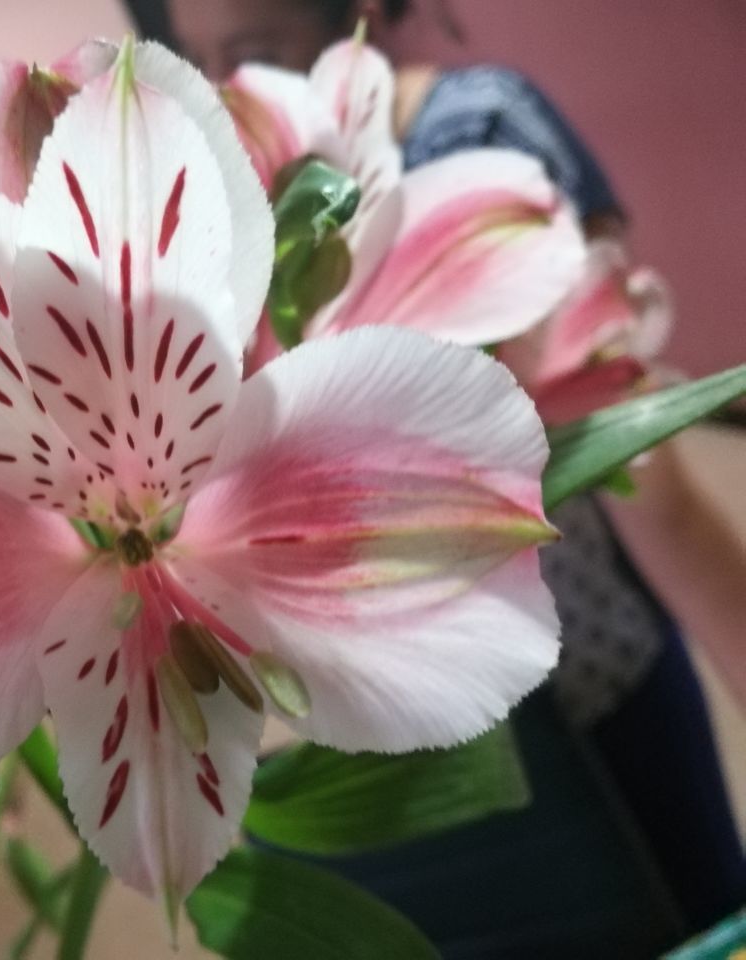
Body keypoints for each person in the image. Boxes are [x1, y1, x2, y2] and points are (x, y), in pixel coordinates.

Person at [148, 0, 746, 954]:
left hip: (578, 656)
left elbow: (630, 431)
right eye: (205, 59)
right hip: (381, 701)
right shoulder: (230, 205)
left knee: (690, 906)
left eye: (257, 51)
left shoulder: (474, 130)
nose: (232, 93)